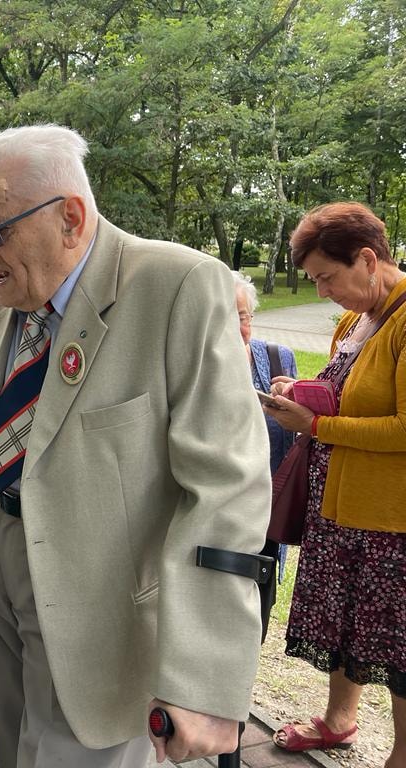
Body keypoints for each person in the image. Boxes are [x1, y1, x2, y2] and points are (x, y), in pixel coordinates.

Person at [0, 124, 272, 768]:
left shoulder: (178, 285)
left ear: (69, 218)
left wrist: (204, 677)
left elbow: (227, 485)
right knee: (17, 750)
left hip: (103, 598)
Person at [264, 202, 406, 763]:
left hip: (391, 519)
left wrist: (317, 425)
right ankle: (339, 721)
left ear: (367, 260)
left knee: (395, 644)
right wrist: (301, 390)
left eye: (327, 277)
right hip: (340, 507)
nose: (322, 292)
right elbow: (347, 394)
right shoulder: (357, 319)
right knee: (347, 625)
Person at [231, 270, 298, 641]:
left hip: (265, 517)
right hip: (212, 516)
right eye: (222, 317)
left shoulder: (277, 358)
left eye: (242, 317)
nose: (234, 327)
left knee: (256, 616)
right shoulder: (189, 361)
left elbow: (297, 433)